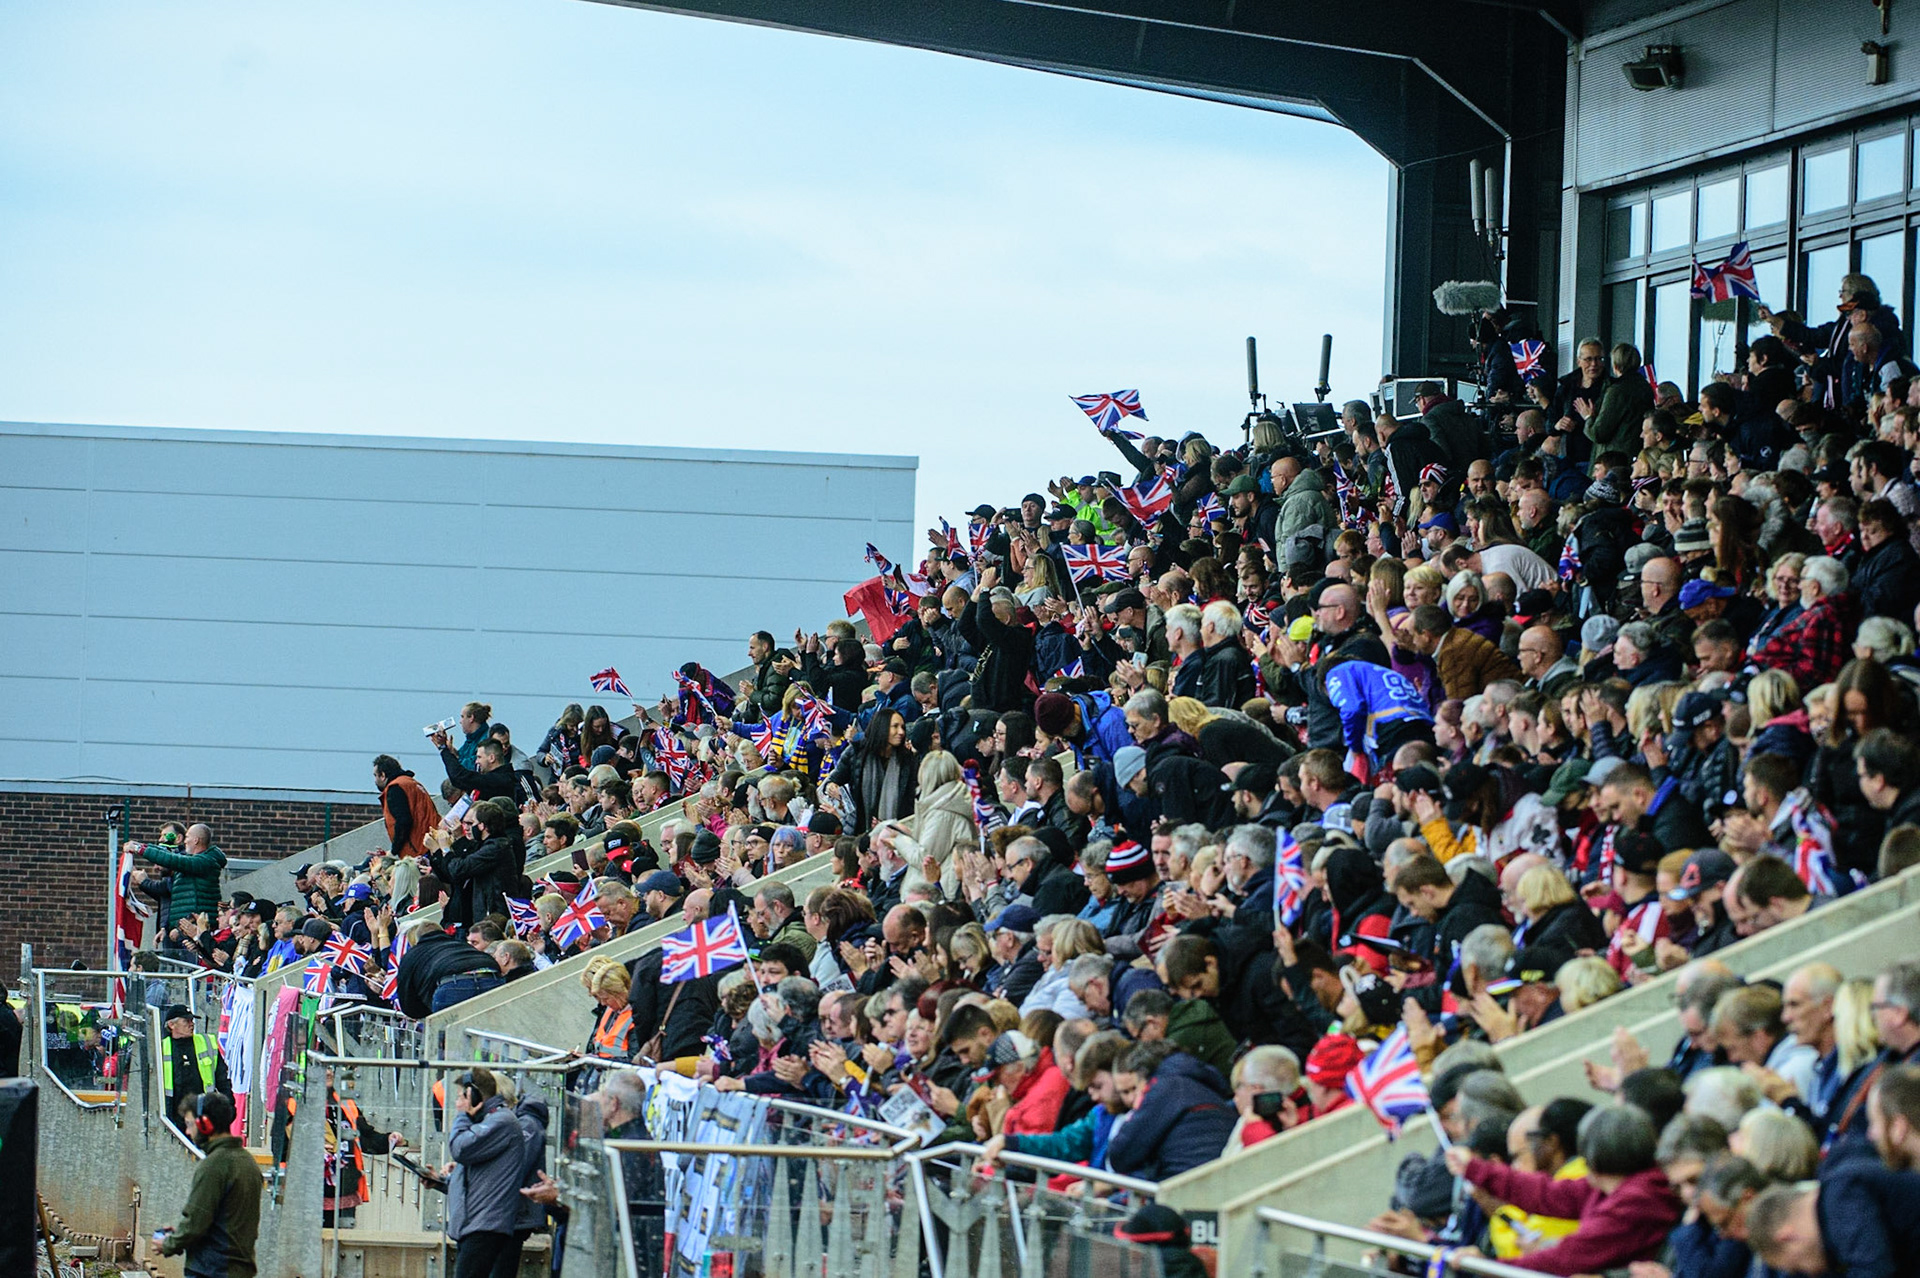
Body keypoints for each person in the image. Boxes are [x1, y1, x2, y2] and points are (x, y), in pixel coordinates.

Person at [154, 1091, 261, 1278]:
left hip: (211, 1270)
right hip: (240, 1270)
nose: (187, 1132)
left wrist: (169, 1243)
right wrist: (180, 1234)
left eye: (189, 1124)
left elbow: (197, 1221)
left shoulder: (214, 1165)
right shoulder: (247, 1162)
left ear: (204, 1124)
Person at [443, 1066, 530, 1278]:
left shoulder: (501, 1121)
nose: (457, 1104)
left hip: (486, 1224)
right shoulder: (488, 1121)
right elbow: (481, 1174)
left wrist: (463, 1116)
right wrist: (442, 1181)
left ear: (474, 1096)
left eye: (461, 1097)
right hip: (476, 1222)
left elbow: (460, 1149)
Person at [160, 1003, 230, 1130]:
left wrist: (229, 1106)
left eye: (192, 1020)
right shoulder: (161, 1048)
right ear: (171, 1025)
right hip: (173, 1116)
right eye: (186, 1021)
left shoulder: (207, 1042)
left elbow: (222, 1078)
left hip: (204, 1113)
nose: (191, 1024)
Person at [374, 753, 441, 860]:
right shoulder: (413, 783)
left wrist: (394, 850)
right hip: (431, 843)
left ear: (382, 775)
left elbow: (403, 821)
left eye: (375, 775)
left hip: (417, 849)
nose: (375, 780)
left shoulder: (395, 788)